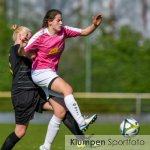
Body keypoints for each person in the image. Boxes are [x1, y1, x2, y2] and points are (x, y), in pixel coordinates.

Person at [24, 9, 102, 150]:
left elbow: (84, 32)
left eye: (61, 20)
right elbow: (24, 49)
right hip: (40, 72)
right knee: (68, 89)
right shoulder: (40, 35)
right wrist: (31, 55)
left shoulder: (64, 31)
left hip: (50, 73)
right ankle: (81, 121)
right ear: (50, 22)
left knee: (60, 111)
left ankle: (45, 147)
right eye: (58, 20)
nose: (61, 22)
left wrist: (95, 25)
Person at [1, 25, 85, 150]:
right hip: (23, 94)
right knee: (20, 132)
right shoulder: (16, 49)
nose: (30, 40)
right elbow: (31, 54)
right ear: (20, 36)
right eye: (28, 37)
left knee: (61, 109)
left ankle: (83, 141)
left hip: (35, 91)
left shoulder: (24, 49)